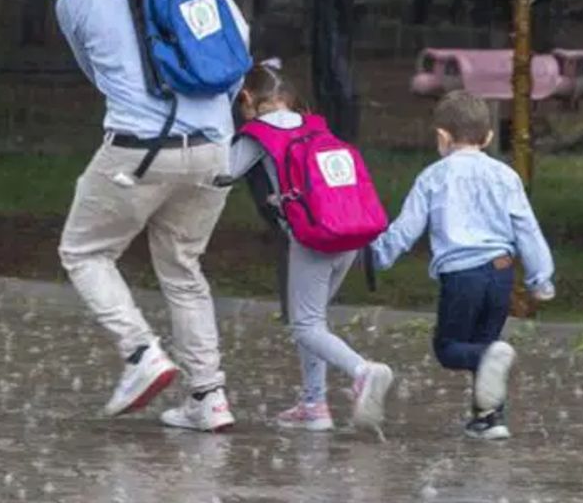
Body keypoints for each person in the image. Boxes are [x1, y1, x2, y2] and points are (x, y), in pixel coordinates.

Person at [55, 0, 248, 432]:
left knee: (85, 251)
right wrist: (213, 116)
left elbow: (96, 73)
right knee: (184, 269)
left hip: (138, 150)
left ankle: (141, 353)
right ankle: (209, 397)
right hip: (214, 147)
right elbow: (239, 47)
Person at [370, 90, 556, 440]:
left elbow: (407, 228)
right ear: (487, 137)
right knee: (486, 346)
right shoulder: (506, 176)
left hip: (462, 276)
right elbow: (526, 228)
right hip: (501, 271)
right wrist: (540, 279)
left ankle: (489, 374)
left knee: (451, 347)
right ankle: (490, 419)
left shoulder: (433, 177)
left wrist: (378, 255)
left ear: (442, 137)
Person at [221, 61, 394, 432]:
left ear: (248, 98)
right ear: (289, 99)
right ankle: (314, 404)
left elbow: (222, 173)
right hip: (348, 232)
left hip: (312, 238)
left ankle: (363, 372)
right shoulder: (316, 125)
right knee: (314, 319)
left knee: (305, 325)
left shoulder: (258, 133)